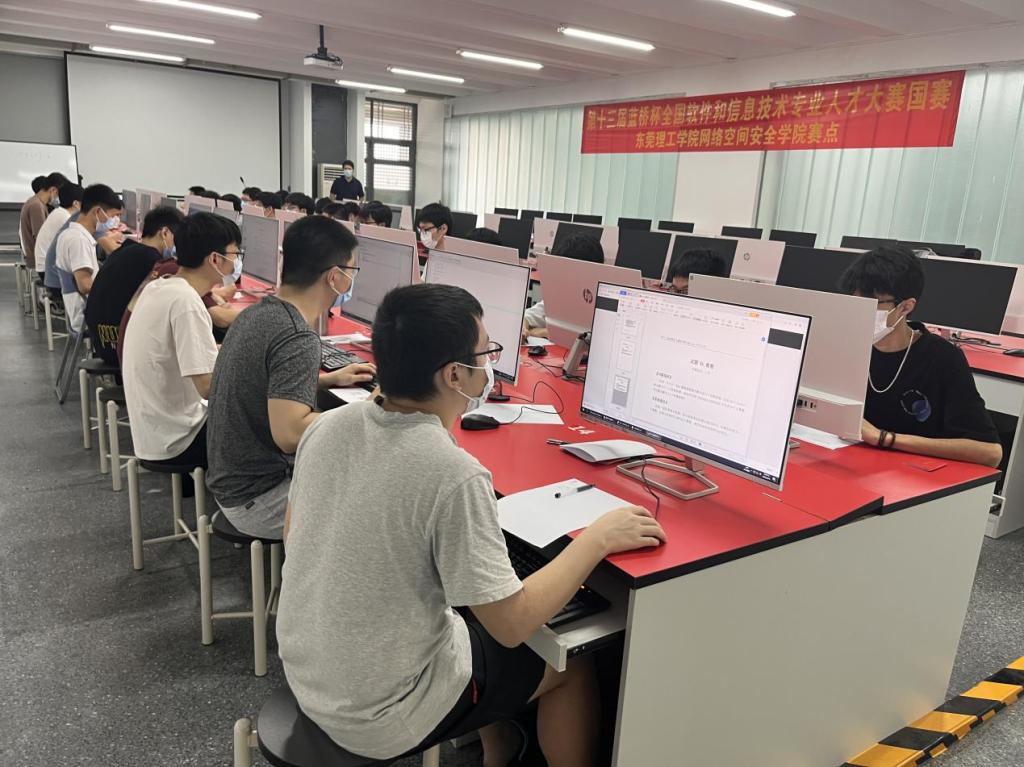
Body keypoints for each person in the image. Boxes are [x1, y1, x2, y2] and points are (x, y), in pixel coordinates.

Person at [276, 282, 666, 764]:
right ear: (455, 374)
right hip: (380, 711)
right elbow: (512, 625)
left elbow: (296, 536)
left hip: (308, 670)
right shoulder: (452, 473)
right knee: (568, 664)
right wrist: (597, 539)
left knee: (467, 612)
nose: (490, 363)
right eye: (485, 352)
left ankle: (497, 750)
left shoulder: (326, 428)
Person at [207, 217, 375, 538]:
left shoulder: (257, 314)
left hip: (231, 483)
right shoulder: (296, 335)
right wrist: (367, 411)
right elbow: (290, 434)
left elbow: (260, 382)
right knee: (378, 504)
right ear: (334, 277)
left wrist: (325, 381)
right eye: (351, 272)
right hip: (261, 499)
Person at [839, 246, 1002, 467]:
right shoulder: (845, 345)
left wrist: (885, 438)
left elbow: (991, 453)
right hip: (848, 464)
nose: (859, 312)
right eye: (854, 301)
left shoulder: (942, 358)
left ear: (905, 306)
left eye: (870, 303)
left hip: (909, 476)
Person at [121, 213, 241, 468]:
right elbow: (208, 387)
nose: (236, 262)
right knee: (272, 425)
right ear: (215, 259)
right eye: (235, 254)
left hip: (154, 430)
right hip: (179, 439)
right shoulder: (186, 302)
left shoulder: (161, 286)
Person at [84, 206, 184, 365]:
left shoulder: (127, 250)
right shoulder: (152, 261)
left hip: (101, 339)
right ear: (164, 233)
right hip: (118, 346)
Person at [54, 184, 122, 332]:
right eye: (113, 216)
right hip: (86, 316)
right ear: (97, 211)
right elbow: (85, 286)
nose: (115, 221)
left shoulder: (72, 234)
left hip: (86, 308)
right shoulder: (78, 240)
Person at [523, 231, 604, 339]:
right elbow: (530, 315)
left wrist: (544, 332)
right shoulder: (565, 294)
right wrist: (525, 327)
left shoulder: (604, 305)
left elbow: (588, 338)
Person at [35, 183, 82, 285]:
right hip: (48, 271)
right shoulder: (65, 218)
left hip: (44, 267)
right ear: (76, 204)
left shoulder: (59, 212)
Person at [20, 171, 68, 272]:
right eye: (59, 194)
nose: (59, 198)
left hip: (40, 257)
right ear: (53, 190)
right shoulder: (36, 206)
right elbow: (41, 237)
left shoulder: (37, 203)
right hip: (40, 261)